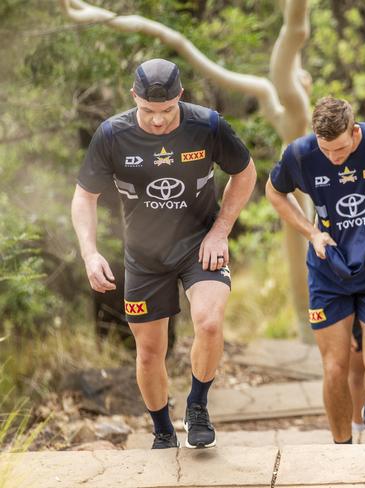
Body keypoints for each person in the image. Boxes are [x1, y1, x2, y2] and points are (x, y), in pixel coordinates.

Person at [71, 59, 256, 449]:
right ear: (134, 97)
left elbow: (246, 172)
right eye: (149, 112)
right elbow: (85, 197)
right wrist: (89, 253)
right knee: (151, 351)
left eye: (167, 111)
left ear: (181, 97)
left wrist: (221, 231)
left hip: (198, 245)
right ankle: (162, 430)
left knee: (208, 322)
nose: (158, 121)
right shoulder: (112, 135)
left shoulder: (207, 125)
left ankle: (198, 406)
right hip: (143, 257)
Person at [266, 97, 365, 444]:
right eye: (326, 151)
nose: (334, 158)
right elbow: (275, 191)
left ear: (354, 132)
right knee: (334, 368)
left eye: (340, 150)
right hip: (328, 269)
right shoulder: (300, 153)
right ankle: (341, 448)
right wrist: (311, 233)